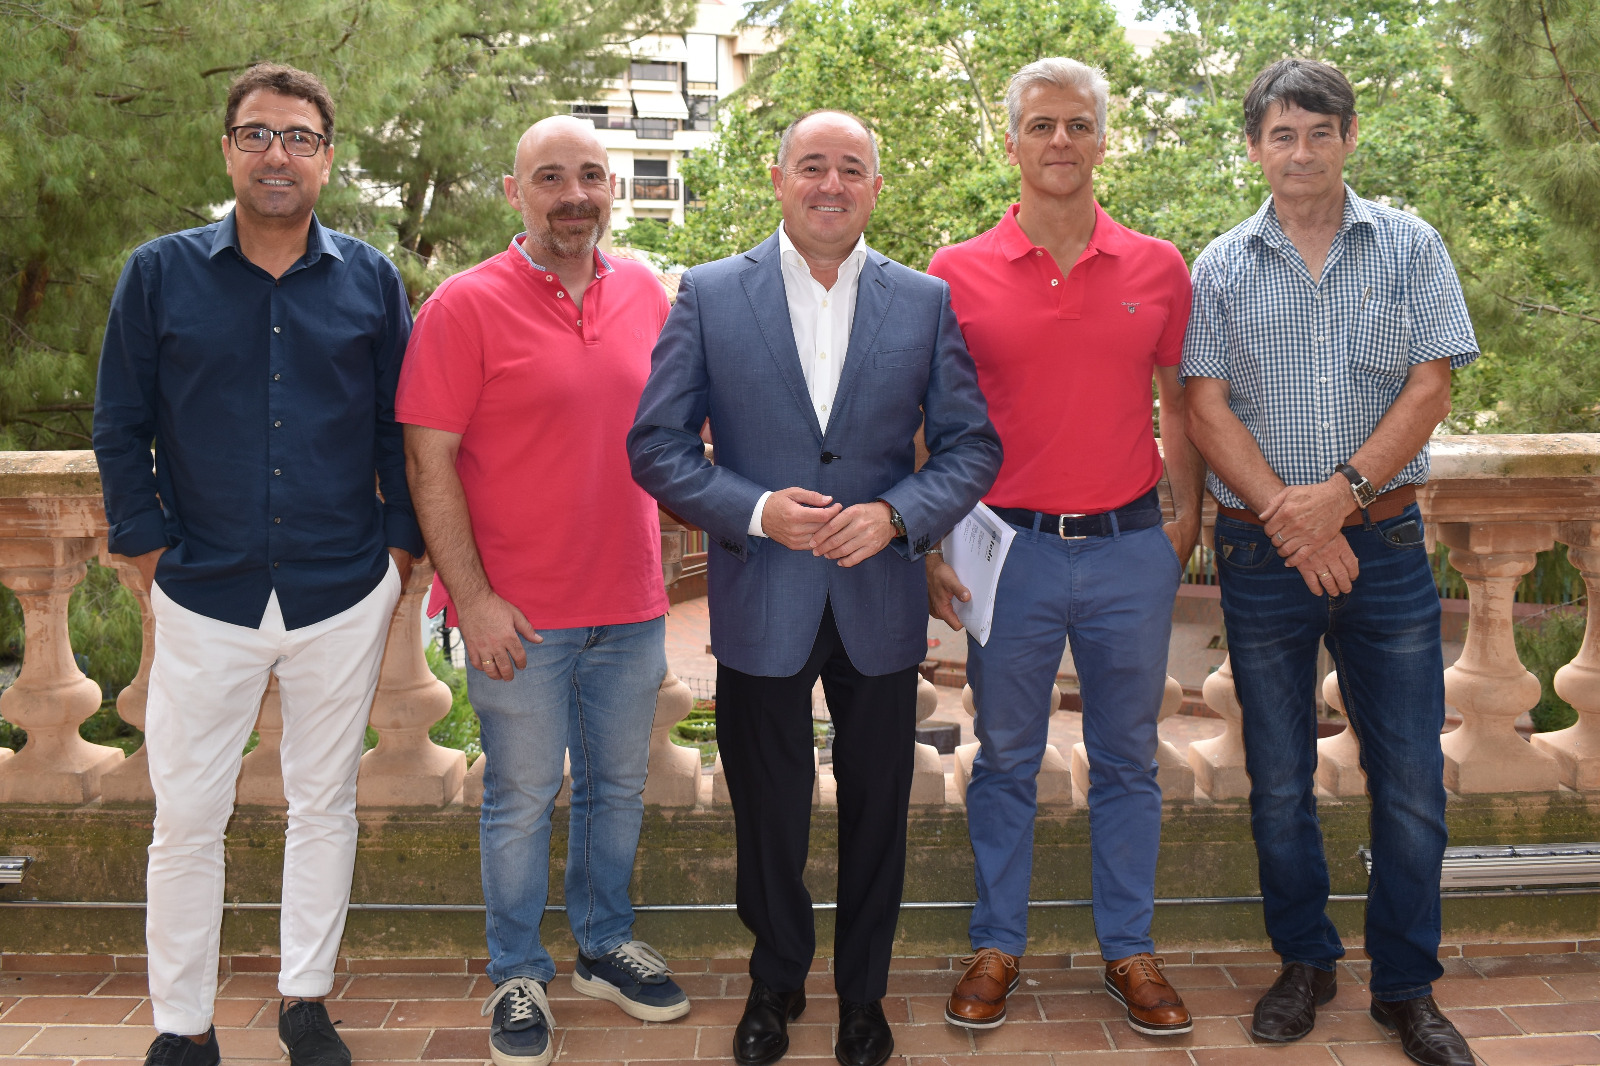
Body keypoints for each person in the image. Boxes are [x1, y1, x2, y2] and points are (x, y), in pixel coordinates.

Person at [628, 110, 1001, 1066]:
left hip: (880, 598)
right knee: (769, 808)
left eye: (851, 168)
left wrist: (898, 517)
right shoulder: (711, 292)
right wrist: (756, 511)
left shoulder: (924, 300)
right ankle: (776, 978)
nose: (831, 184)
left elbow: (972, 447)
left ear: (875, 185)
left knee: (880, 809)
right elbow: (657, 446)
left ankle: (864, 995)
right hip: (764, 594)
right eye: (812, 166)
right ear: (779, 177)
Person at [93, 63, 419, 1066]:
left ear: (328, 156)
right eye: (258, 134)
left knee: (325, 804)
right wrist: (149, 548)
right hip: (205, 591)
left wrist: (399, 552)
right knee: (188, 816)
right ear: (227, 148)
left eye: (299, 137)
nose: (278, 154)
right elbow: (120, 423)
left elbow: (398, 428)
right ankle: (182, 1024)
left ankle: (304, 1001)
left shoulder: (371, 279)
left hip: (342, 588)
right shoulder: (158, 274)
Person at [1183, 58, 1478, 1066]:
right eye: (1281, 134)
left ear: (1349, 137)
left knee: (1411, 780)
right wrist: (1291, 520)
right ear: (1254, 147)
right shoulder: (1220, 265)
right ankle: (1304, 962)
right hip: (1262, 553)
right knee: (1278, 778)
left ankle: (1406, 987)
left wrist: (1338, 500)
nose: (1300, 152)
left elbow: (1430, 387)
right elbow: (1204, 407)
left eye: (1319, 132)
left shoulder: (1410, 245)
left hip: (1385, 546)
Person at [397, 115, 686, 1066]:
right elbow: (430, 463)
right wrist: (472, 599)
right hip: (517, 616)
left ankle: (603, 945)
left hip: (631, 603)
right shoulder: (463, 305)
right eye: (551, 178)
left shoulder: (645, 290)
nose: (574, 196)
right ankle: (518, 971)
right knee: (520, 797)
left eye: (591, 177)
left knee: (617, 790)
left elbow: (671, 433)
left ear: (613, 190)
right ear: (514, 192)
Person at [925, 57, 1204, 1038]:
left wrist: (1185, 520)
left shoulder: (1158, 265)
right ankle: (997, 943)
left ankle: (1128, 947)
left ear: (1101, 139)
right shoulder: (954, 271)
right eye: (1041, 124)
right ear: (1011, 142)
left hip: (1129, 547)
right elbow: (928, 419)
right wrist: (931, 542)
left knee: (1128, 758)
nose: (1059, 140)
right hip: (1008, 553)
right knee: (1006, 755)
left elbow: (1182, 401)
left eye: (1078, 124)